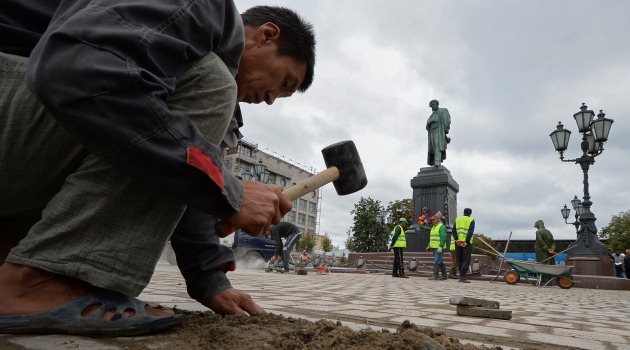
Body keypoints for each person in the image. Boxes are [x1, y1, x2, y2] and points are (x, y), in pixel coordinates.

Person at [0, 1, 316, 337]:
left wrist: (209, 279)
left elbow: (173, 174)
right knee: (212, 84)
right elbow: (81, 72)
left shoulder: (190, 70)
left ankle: (19, 275)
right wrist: (230, 192)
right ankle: (36, 283)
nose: (270, 100)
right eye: (283, 82)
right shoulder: (202, 8)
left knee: (188, 136)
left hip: (19, 146)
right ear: (267, 36)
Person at [426, 100, 451, 167]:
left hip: (439, 130)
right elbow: (427, 124)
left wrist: (445, 130)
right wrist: (428, 123)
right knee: (433, 147)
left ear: (437, 104)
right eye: (431, 106)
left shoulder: (443, 110)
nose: (432, 107)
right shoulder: (432, 115)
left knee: (438, 145)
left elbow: (447, 120)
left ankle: (437, 162)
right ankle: (434, 161)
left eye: (433, 105)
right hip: (432, 131)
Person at [453, 208, 475, 283]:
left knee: (459, 258)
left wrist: (457, 239)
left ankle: (460, 276)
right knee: (466, 259)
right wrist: (466, 241)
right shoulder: (471, 220)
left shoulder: (457, 219)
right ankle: (463, 277)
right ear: (470, 213)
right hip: (466, 243)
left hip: (458, 242)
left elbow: (454, 231)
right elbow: (470, 231)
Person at [426, 212, 447, 280]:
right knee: (439, 261)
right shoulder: (433, 227)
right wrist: (429, 245)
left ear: (438, 219)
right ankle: (444, 276)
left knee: (437, 260)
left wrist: (441, 246)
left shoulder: (441, 227)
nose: (432, 221)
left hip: (439, 247)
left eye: (433, 219)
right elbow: (432, 238)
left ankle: (435, 275)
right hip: (434, 247)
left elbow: (443, 237)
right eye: (432, 220)